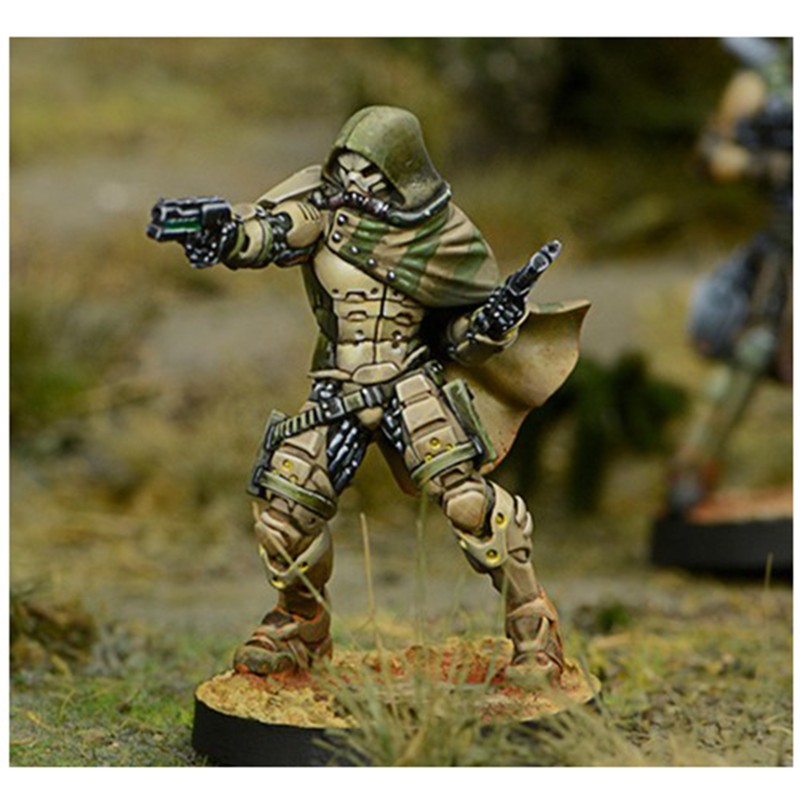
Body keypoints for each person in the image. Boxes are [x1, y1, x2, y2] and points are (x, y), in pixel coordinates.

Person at [149, 106, 589, 681]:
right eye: (345, 168)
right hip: (339, 387)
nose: (352, 182)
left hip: (410, 384)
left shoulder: (442, 231)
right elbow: (270, 233)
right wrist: (228, 234)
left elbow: (458, 338)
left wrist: (489, 326)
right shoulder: (322, 209)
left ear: (400, 172)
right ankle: (299, 627)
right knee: (285, 512)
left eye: (368, 172)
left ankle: (533, 627)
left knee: (469, 505)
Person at [666, 39, 792, 515]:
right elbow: (710, 156)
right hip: (784, 252)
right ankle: (693, 468)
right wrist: (763, 164)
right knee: (751, 348)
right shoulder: (765, 82)